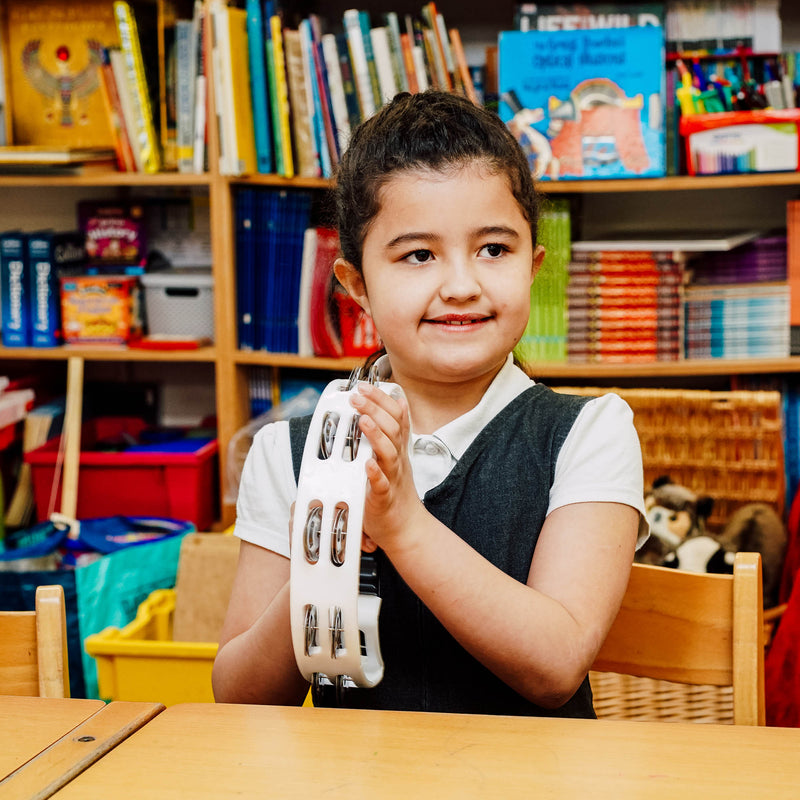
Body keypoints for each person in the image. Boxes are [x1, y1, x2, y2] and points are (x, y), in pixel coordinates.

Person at [213, 90, 647, 717]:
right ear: (356, 284)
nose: (462, 285)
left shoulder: (590, 433)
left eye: (494, 249)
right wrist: (325, 553)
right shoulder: (288, 451)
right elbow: (241, 697)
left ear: (533, 266)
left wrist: (401, 524)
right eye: (419, 255)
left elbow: (556, 665)